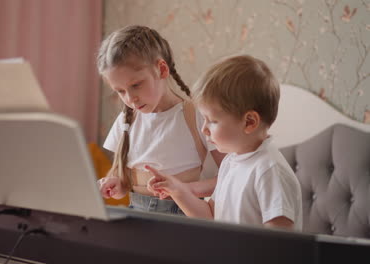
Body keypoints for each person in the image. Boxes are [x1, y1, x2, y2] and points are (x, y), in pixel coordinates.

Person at [147, 55, 303, 230]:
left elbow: (280, 243)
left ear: (249, 122)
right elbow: (210, 215)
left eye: (212, 121)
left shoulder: (269, 171)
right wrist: (177, 191)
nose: (204, 129)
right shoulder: (231, 162)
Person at [96, 25, 224, 215]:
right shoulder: (127, 120)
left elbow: (230, 177)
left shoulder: (195, 115)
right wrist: (116, 183)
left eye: (136, 85)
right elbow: (124, 180)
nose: (130, 99)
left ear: (162, 69)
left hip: (184, 215)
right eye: (120, 91)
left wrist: (187, 190)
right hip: (136, 214)